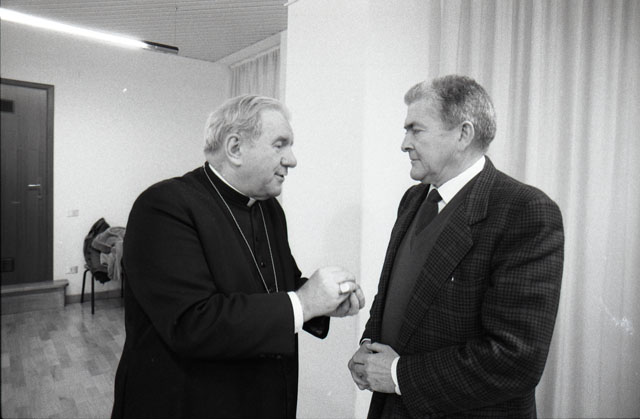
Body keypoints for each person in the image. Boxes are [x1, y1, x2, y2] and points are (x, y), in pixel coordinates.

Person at [112, 95, 365, 418]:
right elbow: (191, 322)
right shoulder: (164, 206)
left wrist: (324, 302)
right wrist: (305, 303)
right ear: (235, 148)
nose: (292, 160)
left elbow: (281, 286)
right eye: (280, 145)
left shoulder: (269, 209)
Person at [348, 75, 564, 418]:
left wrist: (398, 375)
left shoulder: (524, 211)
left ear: (463, 134)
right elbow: (393, 296)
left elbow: (516, 358)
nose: (404, 144)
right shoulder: (413, 199)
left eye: (416, 130)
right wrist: (368, 347)